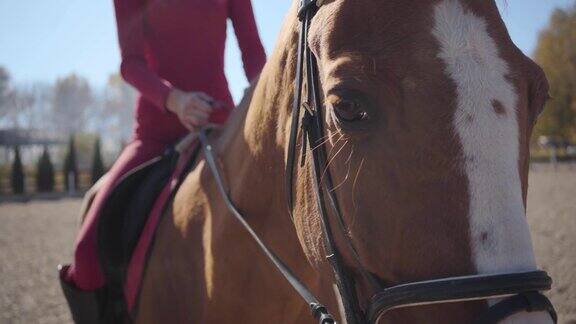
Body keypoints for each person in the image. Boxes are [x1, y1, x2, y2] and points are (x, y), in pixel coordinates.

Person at [59, 0, 266, 320]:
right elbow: (131, 64)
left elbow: (253, 53)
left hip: (220, 126)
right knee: (86, 255)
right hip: (154, 133)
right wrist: (175, 100)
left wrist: (265, 113)